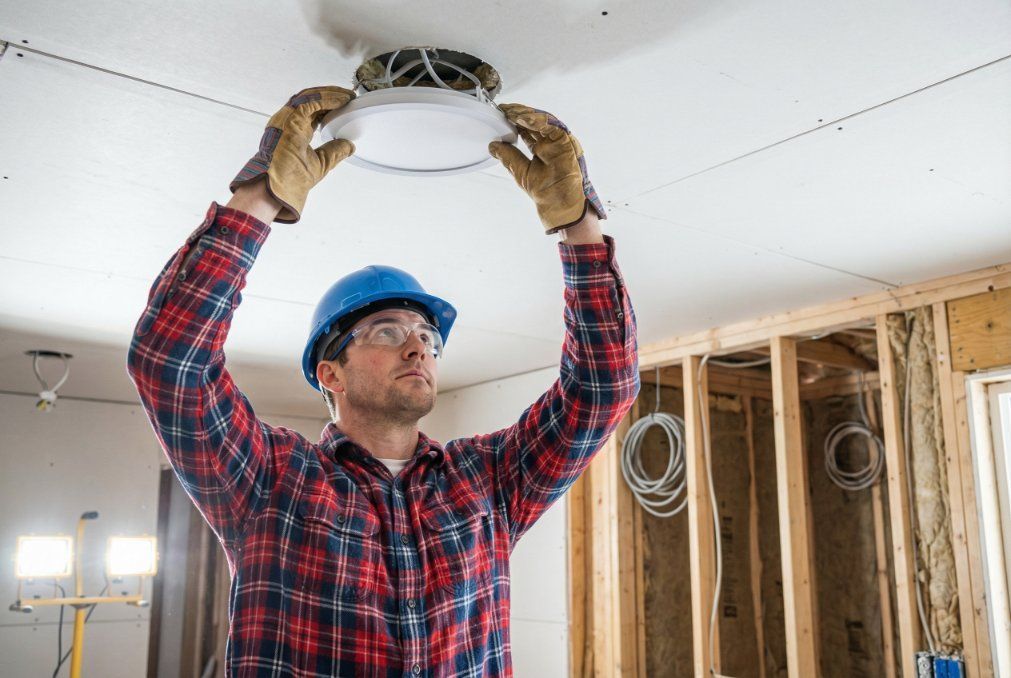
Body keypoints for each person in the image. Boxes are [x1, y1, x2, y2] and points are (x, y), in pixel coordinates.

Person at [127, 86, 639, 677]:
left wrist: (581, 227)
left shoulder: (486, 482)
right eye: (387, 331)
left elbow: (602, 389)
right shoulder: (272, 479)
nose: (419, 344)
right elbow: (170, 362)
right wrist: (259, 198)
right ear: (330, 373)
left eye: (427, 335)